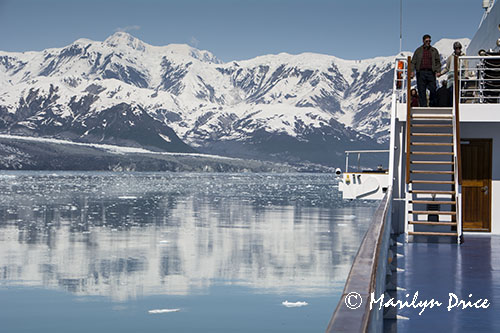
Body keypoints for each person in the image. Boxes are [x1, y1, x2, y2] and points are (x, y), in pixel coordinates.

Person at [411, 34, 442, 107]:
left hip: (431, 72)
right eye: (427, 41)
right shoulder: (418, 51)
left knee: (433, 89)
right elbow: (413, 62)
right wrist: (412, 71)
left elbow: (437, 61)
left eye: (429, 41)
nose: (428, 42)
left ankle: (432, 104)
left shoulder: (434, 50)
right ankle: (423, 105)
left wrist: (438, 70)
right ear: (423, 41)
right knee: (421, 90)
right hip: (421, 72)